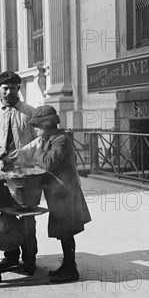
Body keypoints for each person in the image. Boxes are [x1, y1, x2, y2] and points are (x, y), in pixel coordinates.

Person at [8, 105, 92, 283]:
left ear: (46, 125)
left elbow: (47, 162)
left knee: (67, 232)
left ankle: (71, 269)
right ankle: (67, 265)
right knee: (63, 232)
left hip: (65, 194)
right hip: (58, 194)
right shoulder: (51, 139)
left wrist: (38, 149)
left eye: (37, 127)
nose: (35, 130)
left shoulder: (60, 140)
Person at [0, 71, 38, 275]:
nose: (10, 91)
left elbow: (41, 139)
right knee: (5, 216)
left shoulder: (30, 112)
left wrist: (25, 152)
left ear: (18, 89)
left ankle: (29, 259)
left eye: (13, 88)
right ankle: (10, 256)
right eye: (6, 88)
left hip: (25, 175)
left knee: (28, 217)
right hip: (0, 176)